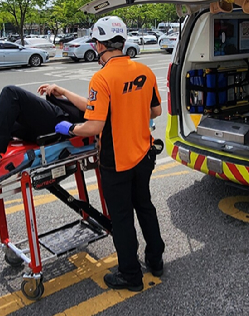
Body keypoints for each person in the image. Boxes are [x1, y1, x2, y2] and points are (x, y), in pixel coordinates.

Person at [52, 16, 165, 292]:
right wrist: (65, 93)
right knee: (145, 207)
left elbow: (94, 123)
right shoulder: (143, 71)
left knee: (123, 217)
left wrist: (69, 128)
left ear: (101, 44)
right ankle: (156, 260)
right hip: (144, 155)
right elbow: (154, 111)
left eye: (96, 44)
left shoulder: (101, 78)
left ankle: (130, 275)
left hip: (116, 161)